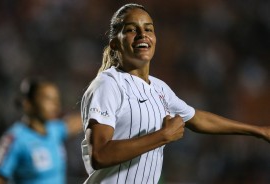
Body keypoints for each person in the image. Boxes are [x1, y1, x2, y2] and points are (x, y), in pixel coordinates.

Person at [80, 3, 270, 184]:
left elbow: (197, 119)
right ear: (114, 44)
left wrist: (258, 131)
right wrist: (163, 135)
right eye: (131, 29)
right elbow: (99, 154)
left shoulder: (159, 88)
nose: (142, 35)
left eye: (148, 29)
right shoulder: (108, 84)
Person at [0, 77, 82, 184]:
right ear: (28, 104)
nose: (56, 105)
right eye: (48, 99)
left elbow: (76, 122)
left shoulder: (54, 129)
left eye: (56, 99)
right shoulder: (14, 139)